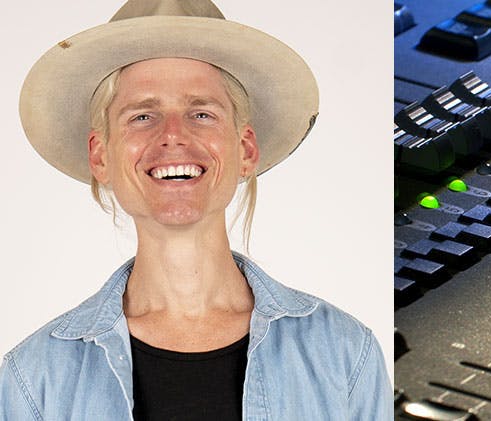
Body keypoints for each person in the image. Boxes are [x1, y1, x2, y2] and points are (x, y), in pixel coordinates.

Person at [0, 1, 392, 419]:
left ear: (245, 149)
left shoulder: (345, 354)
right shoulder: (36, 380)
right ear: (101, 157)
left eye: (201, 113)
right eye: (143, 115)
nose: (173, 135)